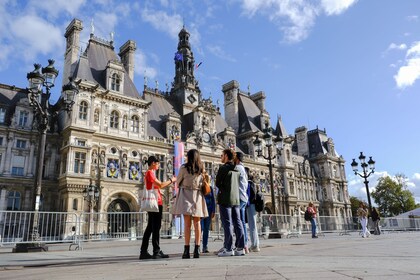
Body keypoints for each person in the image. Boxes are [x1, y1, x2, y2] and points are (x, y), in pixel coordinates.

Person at [172, 149, 209, 259]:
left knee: (187, 225)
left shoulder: (184, 168)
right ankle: (197, 249)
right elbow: (204, 182)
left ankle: (186, 250)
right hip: (197, 196)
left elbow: (178, 182)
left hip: (186, 195)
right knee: (197, 224)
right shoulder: (201, 169)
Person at [139, 156, 177, 260]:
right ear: (152, 163)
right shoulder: (150, 173)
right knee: (156, 227)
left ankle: (144, 251)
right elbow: (160, 185)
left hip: (155, 201)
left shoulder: (151, 173)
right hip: (155, 202)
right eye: (158, 163)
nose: (159, 165)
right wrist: (171, 180)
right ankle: (156, 251)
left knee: (150, 228)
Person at [216, 149, 245, 257]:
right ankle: (240, 248)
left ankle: (228, 248)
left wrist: (224, 189)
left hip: (225, 198)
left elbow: (217, 183)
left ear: (226, 156)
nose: (221, 157)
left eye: (222, 155)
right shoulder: (237, 169)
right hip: (236, 199)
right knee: (238, 222)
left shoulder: (223, 168)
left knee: (227, 223)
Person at [234, 152, 249, 253]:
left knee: (238, 222)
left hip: (239, 197)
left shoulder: (238, 168)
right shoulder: (243, 168)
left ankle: (241, 245)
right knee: (242, 222)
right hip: (243, 197)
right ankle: (245, 245)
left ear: (237, 159)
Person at [245, 168, 260, 252]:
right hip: (253, 206)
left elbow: (250, 196)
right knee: (253, 225)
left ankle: (254, 245)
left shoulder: (249, 184)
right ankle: (256, 244)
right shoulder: (253, 183)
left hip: (250, 205)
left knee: (252, 226)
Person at [201, 182, 216, 253]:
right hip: (200, 210)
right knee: (200, 228)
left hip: (209, 210)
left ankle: (205, 246)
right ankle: (197, 245)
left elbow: (213, 199)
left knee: (206, 229)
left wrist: (213, 210)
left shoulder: (210, 188)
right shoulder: (200, 187)